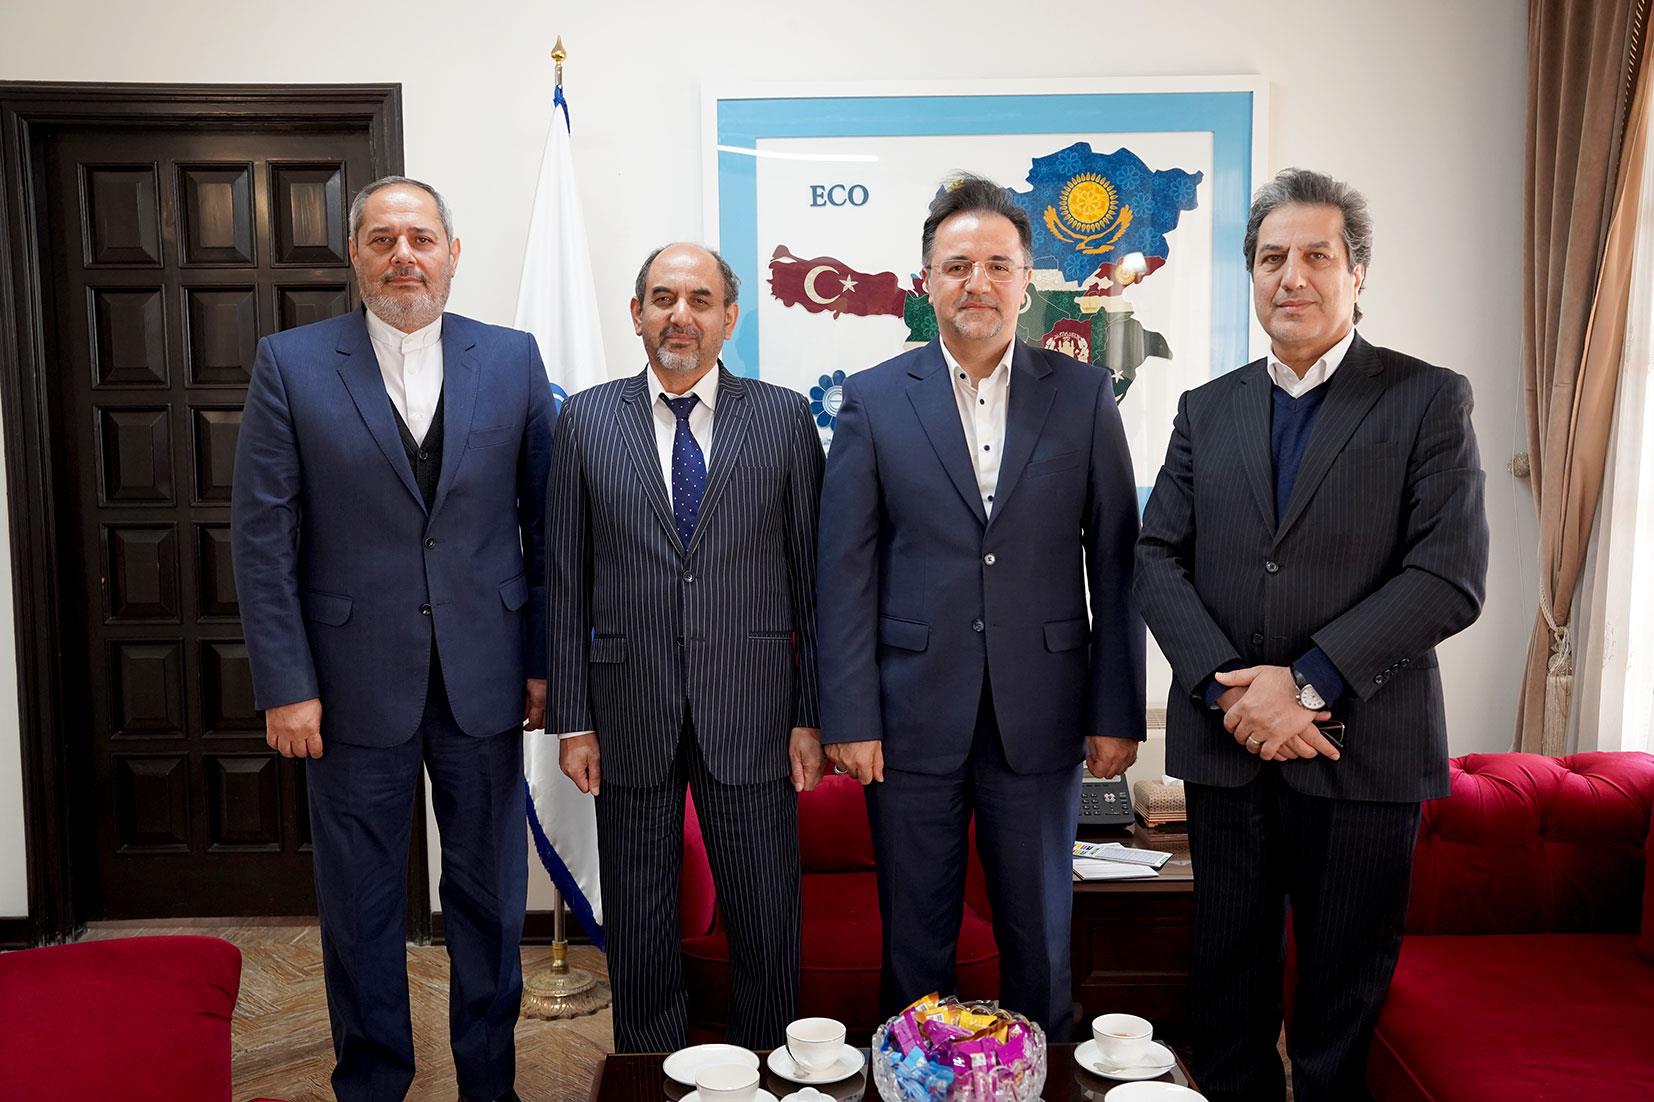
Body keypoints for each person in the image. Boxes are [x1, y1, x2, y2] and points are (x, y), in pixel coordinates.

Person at [1134, 167, 1489, 1101]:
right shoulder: (1207, 408)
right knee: (1225, 992)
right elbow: (1156, 556)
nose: (1291, 276)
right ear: (1252, 274)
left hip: (1364, 749)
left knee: (1340, 1002)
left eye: (1316, 256)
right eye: (1270, 258)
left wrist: (1303, 684)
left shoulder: (1426, 398)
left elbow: (1448, 576)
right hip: (1228, 746)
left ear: (1357, 272)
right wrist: (1230, 689)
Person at [231, 176, 551, 1102]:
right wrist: (285, 684)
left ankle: (489, 1083)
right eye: (382, 239)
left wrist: (542, 665)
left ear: (452, 253)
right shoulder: (290, 363)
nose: (403, 256)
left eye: (420, 238)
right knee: (362, 902)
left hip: (486, 679)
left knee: (490, 900)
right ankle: (372, 1083)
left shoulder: (514, 359)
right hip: (346, 685)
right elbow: (262, 539)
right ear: (355, 256)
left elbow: (549, 527)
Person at [815, 175, 1146, 1038]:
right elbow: (844, 570)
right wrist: (850, 714)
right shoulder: (875, 397)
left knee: (1040, 942)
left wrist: (1117, 710)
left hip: (1043, 712)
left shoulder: (1084, 395)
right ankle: (916, 1080)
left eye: (999, 265)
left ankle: (1038, 1080)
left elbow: (1116, 561)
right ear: (926, 281)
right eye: (958, 265)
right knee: (916, 943)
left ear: (1026, 281)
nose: (978, 283)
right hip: (908, 716)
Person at [545, 243, 826, 1052]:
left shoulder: (783, 417)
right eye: (663, 298)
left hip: (755, 709)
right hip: (627, 709)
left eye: (700, 300)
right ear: (636, 314)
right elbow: (564, 579)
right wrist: (573, 719)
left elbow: (813, 581)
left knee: (765, 918)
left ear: (729, 318)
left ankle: (766, 1068)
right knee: (639, 921)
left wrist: (811, 713)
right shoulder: (585, 420)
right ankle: (650, 1068)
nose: (681, 315)